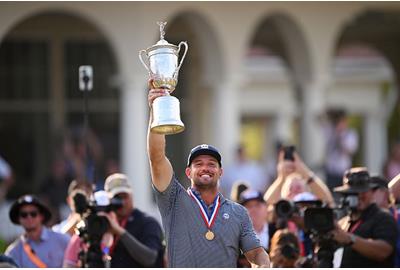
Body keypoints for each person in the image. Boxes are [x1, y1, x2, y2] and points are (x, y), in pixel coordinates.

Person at [147, 87, 270, 267]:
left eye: (212, 164)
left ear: (221, 172)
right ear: (188, 172)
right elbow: (156, 157)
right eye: (198, 164)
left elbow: (256, 252)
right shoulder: (173, 200)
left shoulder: (238, 213)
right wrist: (156, 110)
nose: (206, 168)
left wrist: (264, 265)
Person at [63, 173, 165, 267]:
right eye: (117, 198)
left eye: (125, 196)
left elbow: (150, 258)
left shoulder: (147, 222)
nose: (122, 202)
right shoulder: (99, 224)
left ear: (132, 196)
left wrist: (119, 232)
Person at [332, 167, 398, 267]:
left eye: (363, 192)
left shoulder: (383, 218)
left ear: (371, 192)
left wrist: (350, 239)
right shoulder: (342, 223)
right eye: (352, 193)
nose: (358, 196)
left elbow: (383, 252)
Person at [5, 195, 70, 267]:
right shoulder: (14, 252)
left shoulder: (63, 240)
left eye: (33, 214)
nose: (29, 217)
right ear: (18, 219)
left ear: (41, 216)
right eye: (24, 215)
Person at [323, 109, 359, 192]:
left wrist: (340, 136)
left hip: (344, 171)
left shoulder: (350, 134)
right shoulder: (330, 132)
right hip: (331, 172)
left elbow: (350, 151)